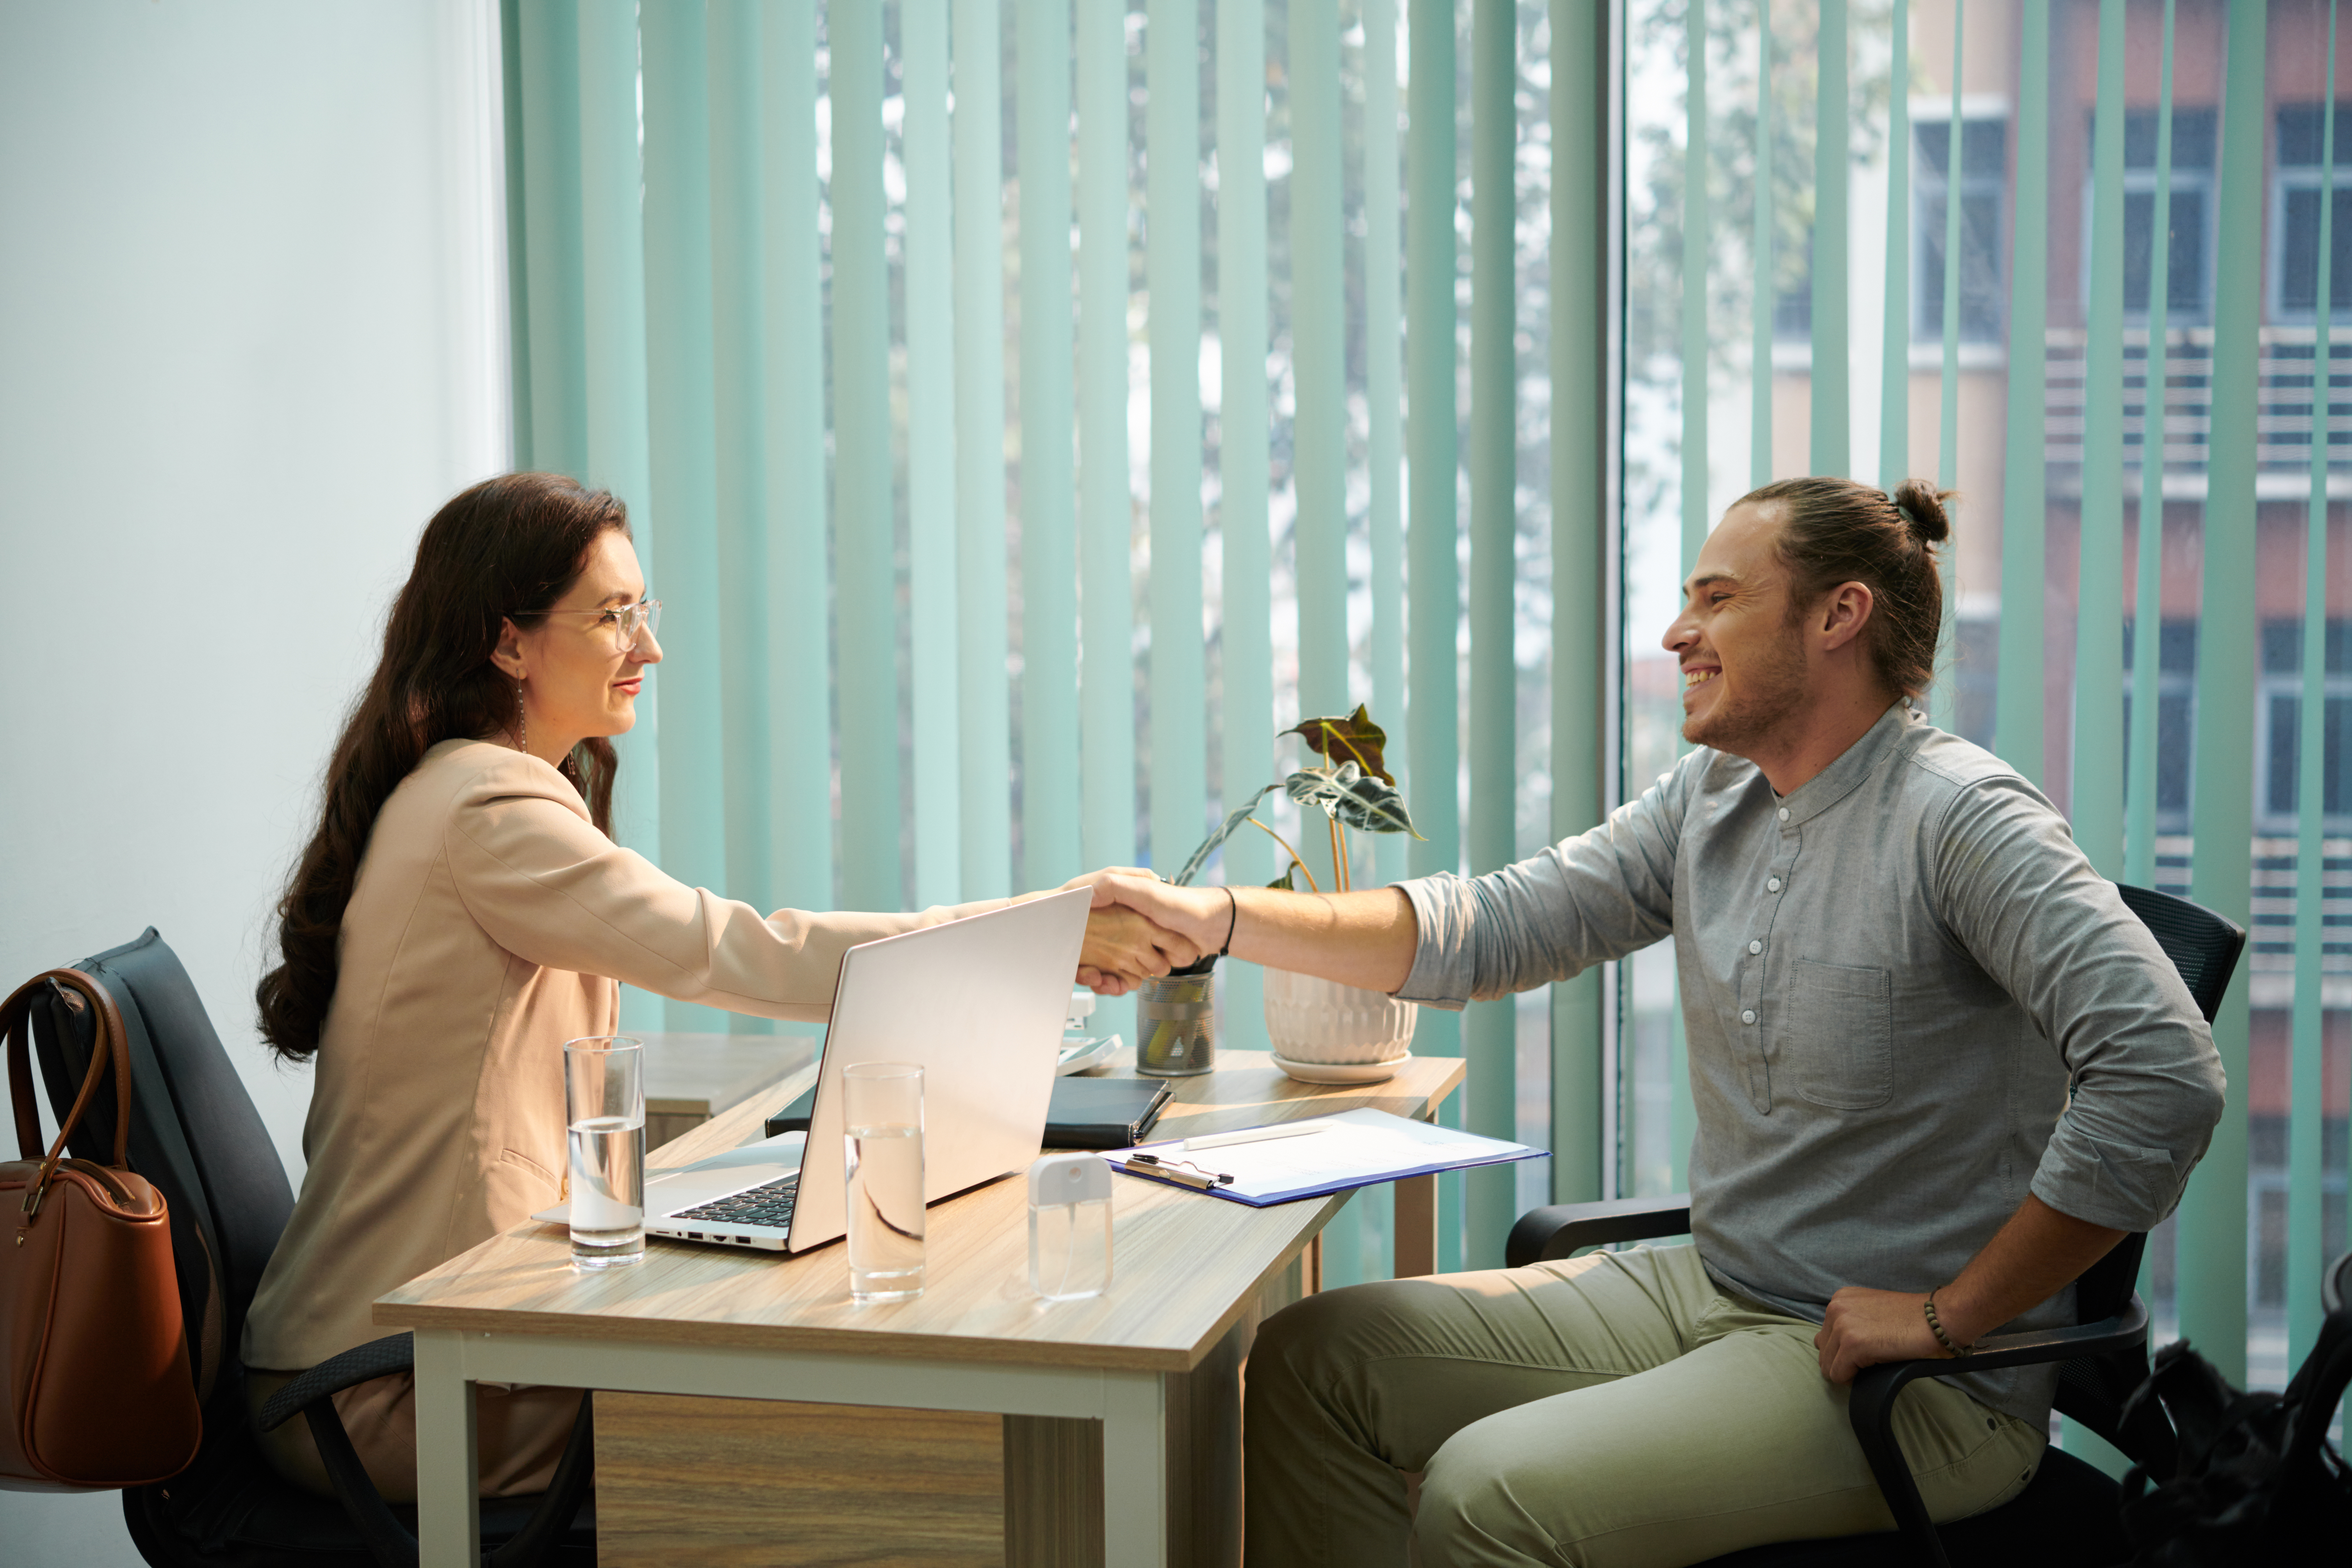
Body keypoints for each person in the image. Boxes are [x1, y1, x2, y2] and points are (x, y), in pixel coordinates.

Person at [1090, 476, 2227, 1567]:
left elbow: (2165, 1071)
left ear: (1841, 615)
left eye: (1717, 597)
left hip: (1911, 1383)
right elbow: (1490, 926)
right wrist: (1219, 916)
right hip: (1716, 1289)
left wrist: (1949, 1314)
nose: (1680, 632)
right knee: (1313, 1361)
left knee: (1489, 1494)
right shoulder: (1716, 799)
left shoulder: (1963, 819)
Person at [241, 472, 1196, 1503]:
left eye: (643, 611)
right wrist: (1043, 933)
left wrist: (1036, 936)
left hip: (424, 1344)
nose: (648, 648)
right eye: (614, 618)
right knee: (814, 1408)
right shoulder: (486, 811)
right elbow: (732, 949)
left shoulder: (474, 792)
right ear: (507, 642)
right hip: (383, 1390)